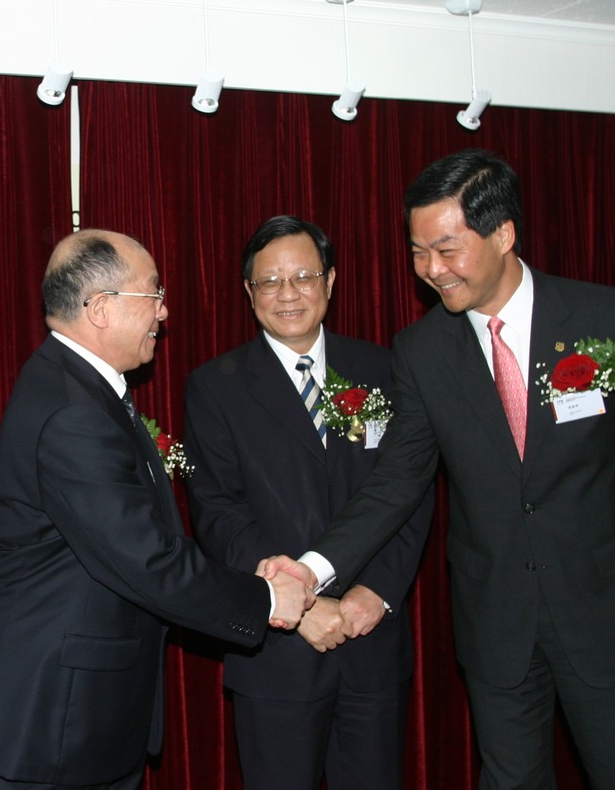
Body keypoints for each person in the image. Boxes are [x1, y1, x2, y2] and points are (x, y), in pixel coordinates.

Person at [273, 149, 615, 788]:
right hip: (497, 625)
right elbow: (396, 481)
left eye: (447, 249)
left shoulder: (608, 320)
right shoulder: (422, 350)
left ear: (503, 234)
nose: (431, 270)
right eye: (418, 253)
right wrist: (312, 569)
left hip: (605, 615)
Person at [0, 229, 314, 790]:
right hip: (46, 728)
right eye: (153, 294)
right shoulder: (73, 412)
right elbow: (148, 561)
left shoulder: (76, 386)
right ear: (100, 309)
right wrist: (265, 598)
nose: (164, 312)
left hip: (75, 720)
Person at [183, 216, 432, 790]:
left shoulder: (384, 369)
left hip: (372, 640)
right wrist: (297, 607)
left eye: (303, 276)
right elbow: (218, 514)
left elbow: (411, 489)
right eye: (270, 282)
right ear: (249, 293)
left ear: (331, 281)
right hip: (277, 654)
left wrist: (378, 591)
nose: (288, 293)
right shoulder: (216, 387)